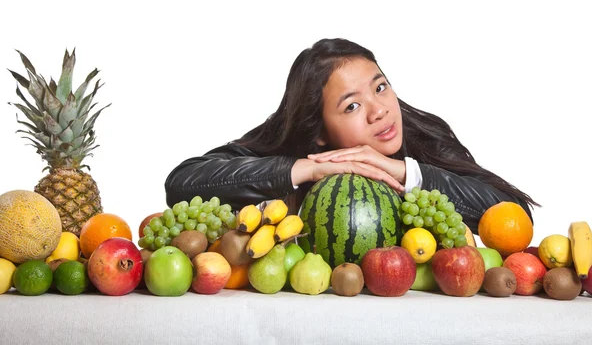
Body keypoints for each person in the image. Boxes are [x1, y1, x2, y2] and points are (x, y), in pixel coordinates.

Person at [165, 38, 537, 234]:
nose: (380, 110)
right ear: (320, 133)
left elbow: (513, 217)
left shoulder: (426, 134)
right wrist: (306, 171)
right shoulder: (293, 146)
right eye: (351, 106)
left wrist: (403, 172)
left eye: (380, 88)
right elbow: (180, 184)